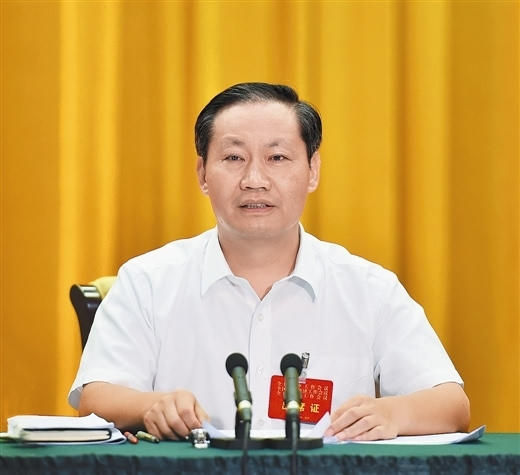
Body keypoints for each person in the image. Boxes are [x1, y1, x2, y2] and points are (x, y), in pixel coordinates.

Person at [69, 82, 470, 442]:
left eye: (277, 157)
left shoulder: (368, 288)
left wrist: (392, 413)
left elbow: (452, 404)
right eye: (233, 157)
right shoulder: (148, 281)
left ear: (312, 170)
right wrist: (150, 406)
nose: (254, 180)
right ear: (203, 174)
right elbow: (96, 395)